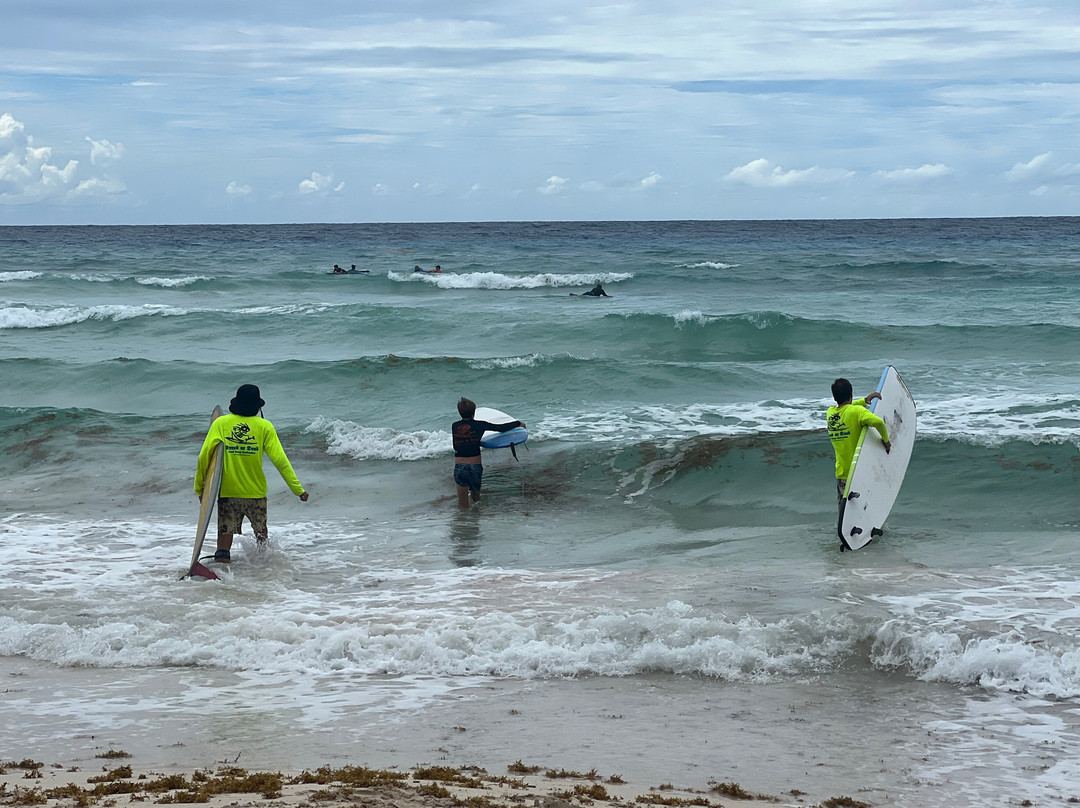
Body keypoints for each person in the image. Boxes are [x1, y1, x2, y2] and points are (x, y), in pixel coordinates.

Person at [194, 384, 309, 562]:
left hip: (228, 493)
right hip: (256, 493)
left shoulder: (221, 424)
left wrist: (201, 488)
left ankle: (222, 578)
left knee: (225, 538)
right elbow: (280, 461)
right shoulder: (265, 427)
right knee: (261, 536)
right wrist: (298, 490)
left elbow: (204, 457)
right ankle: (263, 571)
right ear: (258, 406)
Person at [827, 378, 890, 515]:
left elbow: (847, 408)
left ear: (834, 397)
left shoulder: (830, 414)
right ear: (851, 394)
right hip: (859, 470)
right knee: (865, 506)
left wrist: (864, 401)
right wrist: (886, 440)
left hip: (842, 473)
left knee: (846, 511)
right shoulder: (857, 412)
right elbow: (878, 422)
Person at [451, 397, 525, 510]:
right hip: (475, 466)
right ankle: (476, 521)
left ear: (459, 412)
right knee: (476, 500)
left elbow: (456, 446)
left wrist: (472, 442)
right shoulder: (480, 424)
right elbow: (500, 428)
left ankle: (465, 525)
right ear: (474, 411)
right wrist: (518, 423)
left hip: (460, 467)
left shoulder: (454, 426)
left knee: (463, 504)